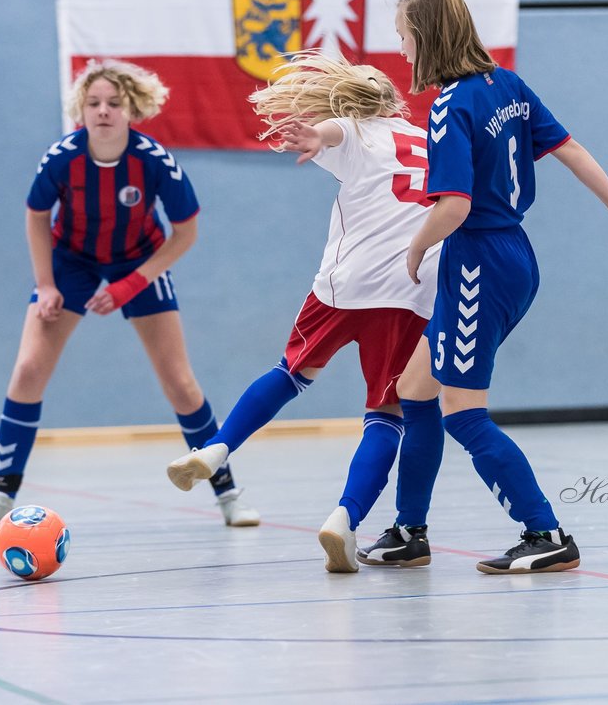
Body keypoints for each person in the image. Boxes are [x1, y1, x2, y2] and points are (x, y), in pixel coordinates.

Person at [370, 0, 608, 575]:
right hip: (514, 253)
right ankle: (409, 531)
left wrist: (415, 248)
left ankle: (545, 533)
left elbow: (455, 205)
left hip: (477, 264)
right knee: (413, 391)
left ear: (423, 35)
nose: (400, 48)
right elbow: (569, 147)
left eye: (401, 35)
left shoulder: (450, 105)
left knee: (464, 412)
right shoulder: (509, 85)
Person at [165, 54, 441, 573]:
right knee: (385, 414)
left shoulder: (356, 131)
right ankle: (345, 517)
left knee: (292, 372)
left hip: (347, 283)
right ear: (394, 100)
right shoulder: (428, 139)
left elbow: (341, 131)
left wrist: (320, 135)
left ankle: (218, 448)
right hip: (412, 288)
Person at [0, 60, 259, 532]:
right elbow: (36, 215)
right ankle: (1, 494)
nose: (103, 111)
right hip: (71, 260)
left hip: (138, 261)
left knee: (180, 384)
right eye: (93, 103)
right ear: (81, 110)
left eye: (113, 104)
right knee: (28, 369)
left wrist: (132, 283)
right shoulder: (61, 158)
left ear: (131, 109)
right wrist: (45, 284)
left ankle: (228, 494)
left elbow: (185, 233)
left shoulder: (154, 161)